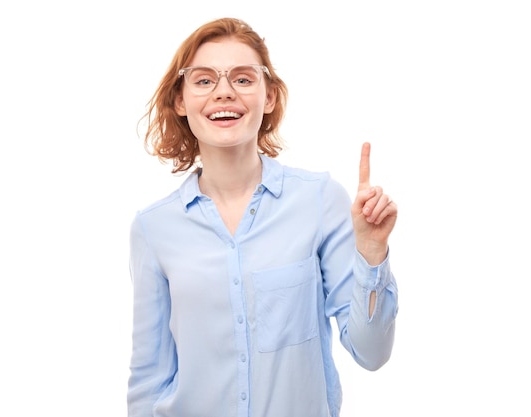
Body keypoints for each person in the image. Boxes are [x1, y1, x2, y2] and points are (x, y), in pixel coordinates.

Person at [127, 17, 399, 417]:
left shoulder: (321, 201)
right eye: (203, 81)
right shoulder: (154, 229)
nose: (223, 93)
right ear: (180, 101)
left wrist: (372, 252)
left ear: (268, 96)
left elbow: (371, 352)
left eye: (242, 79)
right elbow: (149, 379)